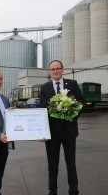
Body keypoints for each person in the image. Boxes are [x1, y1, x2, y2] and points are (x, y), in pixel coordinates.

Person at [40, 60, 85, 195]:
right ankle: (52, 190)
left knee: (71, 164)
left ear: (62, 69)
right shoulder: (45, 87)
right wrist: (41, 131)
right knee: (52, 165)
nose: (55, 71)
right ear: (49, 71)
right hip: (51, 133)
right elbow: (43, 110)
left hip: (69, 131)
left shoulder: (72, 84)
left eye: (58, 68)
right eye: (52, 69)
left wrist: (72, 114)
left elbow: (82, 103)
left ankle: (73, 189)